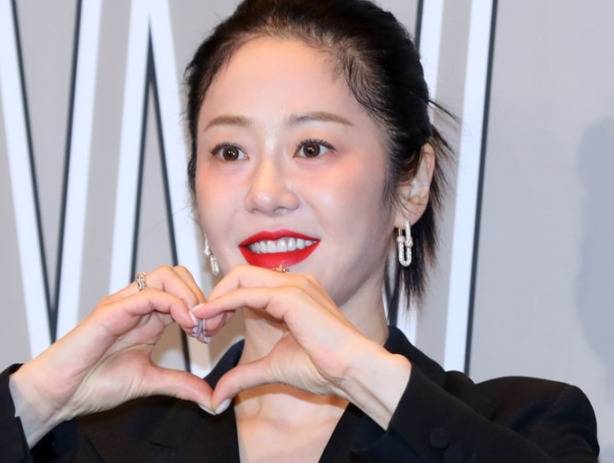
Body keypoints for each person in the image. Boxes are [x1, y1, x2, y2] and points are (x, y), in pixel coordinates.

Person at [1, 0, 599, 461]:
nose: (265, 193)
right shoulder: (98, 443)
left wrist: (361, 375)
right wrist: (41, 398)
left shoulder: (525, 426)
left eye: (312, 147)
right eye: (230, 151)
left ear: (411, 185)